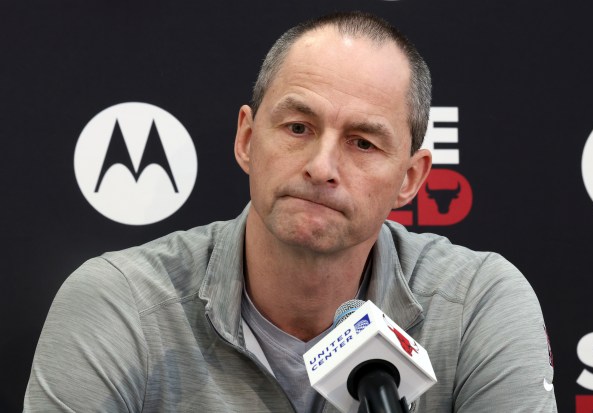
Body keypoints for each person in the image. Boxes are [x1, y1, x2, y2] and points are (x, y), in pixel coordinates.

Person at [24, 11, 557, 412]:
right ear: (248, 139)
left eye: (363, 143)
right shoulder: (121, 302)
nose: (322, 167)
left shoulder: (476, 305)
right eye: (298, 128)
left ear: (410, 179)